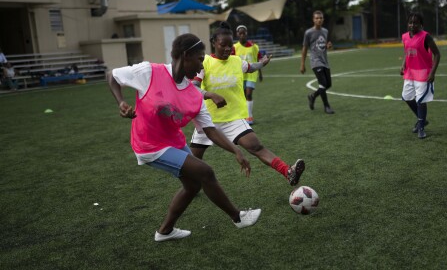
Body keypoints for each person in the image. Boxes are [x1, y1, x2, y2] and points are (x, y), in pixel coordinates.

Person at [108, 33, 262, 242]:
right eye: (199, 59)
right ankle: (238, 217)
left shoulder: (195, 95)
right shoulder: (149, 72)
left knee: (193, 185)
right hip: (148, 145)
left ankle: (165, 231)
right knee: (205, 171)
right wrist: (121, 103)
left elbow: (211, 131)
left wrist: (236, 150)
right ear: (185, 55)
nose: (201, 67)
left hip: (173, 142)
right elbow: (113, 76)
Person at [191, 21, 305, 187]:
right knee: (193, 161)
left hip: (233, 119)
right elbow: (193, 87)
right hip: (207, 121)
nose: (227, 49)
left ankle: (288, 172)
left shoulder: (236, 61)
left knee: (256, 146)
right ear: (214, 43)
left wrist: (263, 63)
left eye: (230, 45)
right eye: (223, 45)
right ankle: (190, 186)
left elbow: (251, 67)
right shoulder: (205, 62)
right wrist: (210, 94)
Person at [400, 12, 441, 139]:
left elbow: (437, 54)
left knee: (421, 100)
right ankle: (422, 119)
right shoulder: (405, 36)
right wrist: (403, 65)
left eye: (415, 23)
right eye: (410, 22)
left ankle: (421, 127)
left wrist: (432, 72)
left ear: (421, 24)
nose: (412, 25)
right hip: (410, 72)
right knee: (406, 97)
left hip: (423, 73)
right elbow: (407, 52)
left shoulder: (426, 37)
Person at [300, 10, 335, 114]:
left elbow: (324, 44)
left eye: (320, 18)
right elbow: (305, 49)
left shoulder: (325, 31)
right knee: (323, 83)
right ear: (313, 20)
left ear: (323, 19)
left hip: (324, 60)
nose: (319, 20)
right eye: (317, 18)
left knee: (328, 84)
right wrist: (302, 64)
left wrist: (328, 46)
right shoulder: (308, 33)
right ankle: (326, 106)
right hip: (315, 61)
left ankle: (313, 96)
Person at [231, 25, 263, 125]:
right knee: (243, 96)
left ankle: (249, 117)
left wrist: (261, 73)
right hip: (240, 75)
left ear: (246, 33)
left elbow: (259, 60)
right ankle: (244, 116)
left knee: (249, 94)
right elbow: (231, 61)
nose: (242, 35)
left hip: (252, 74)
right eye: (240, 33)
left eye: (244, 33)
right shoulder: (234, 47)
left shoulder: (254, 47)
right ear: (237, 34)